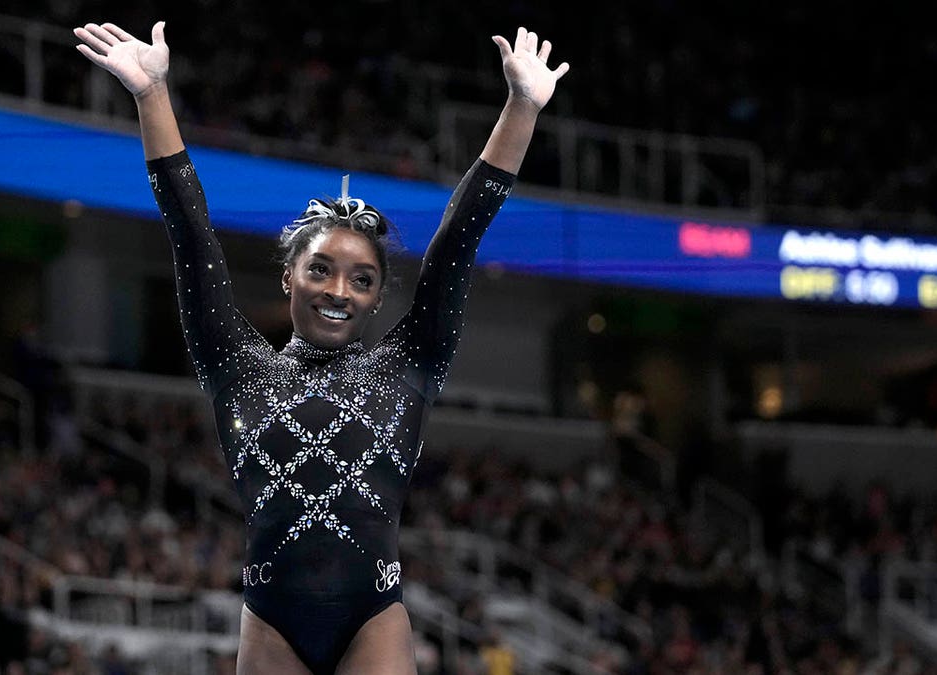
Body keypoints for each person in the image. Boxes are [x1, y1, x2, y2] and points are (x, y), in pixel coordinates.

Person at [72, 19, 568, 675]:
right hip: (272, 623)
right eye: (320, 269)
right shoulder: (236, 365)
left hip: (374, 620)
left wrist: (521, 108)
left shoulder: (409, 365)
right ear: (287, 277)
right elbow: (190, 232)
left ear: (378, 296)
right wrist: (153, 95)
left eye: (362, 279)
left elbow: (458, 241)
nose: (340, 290)